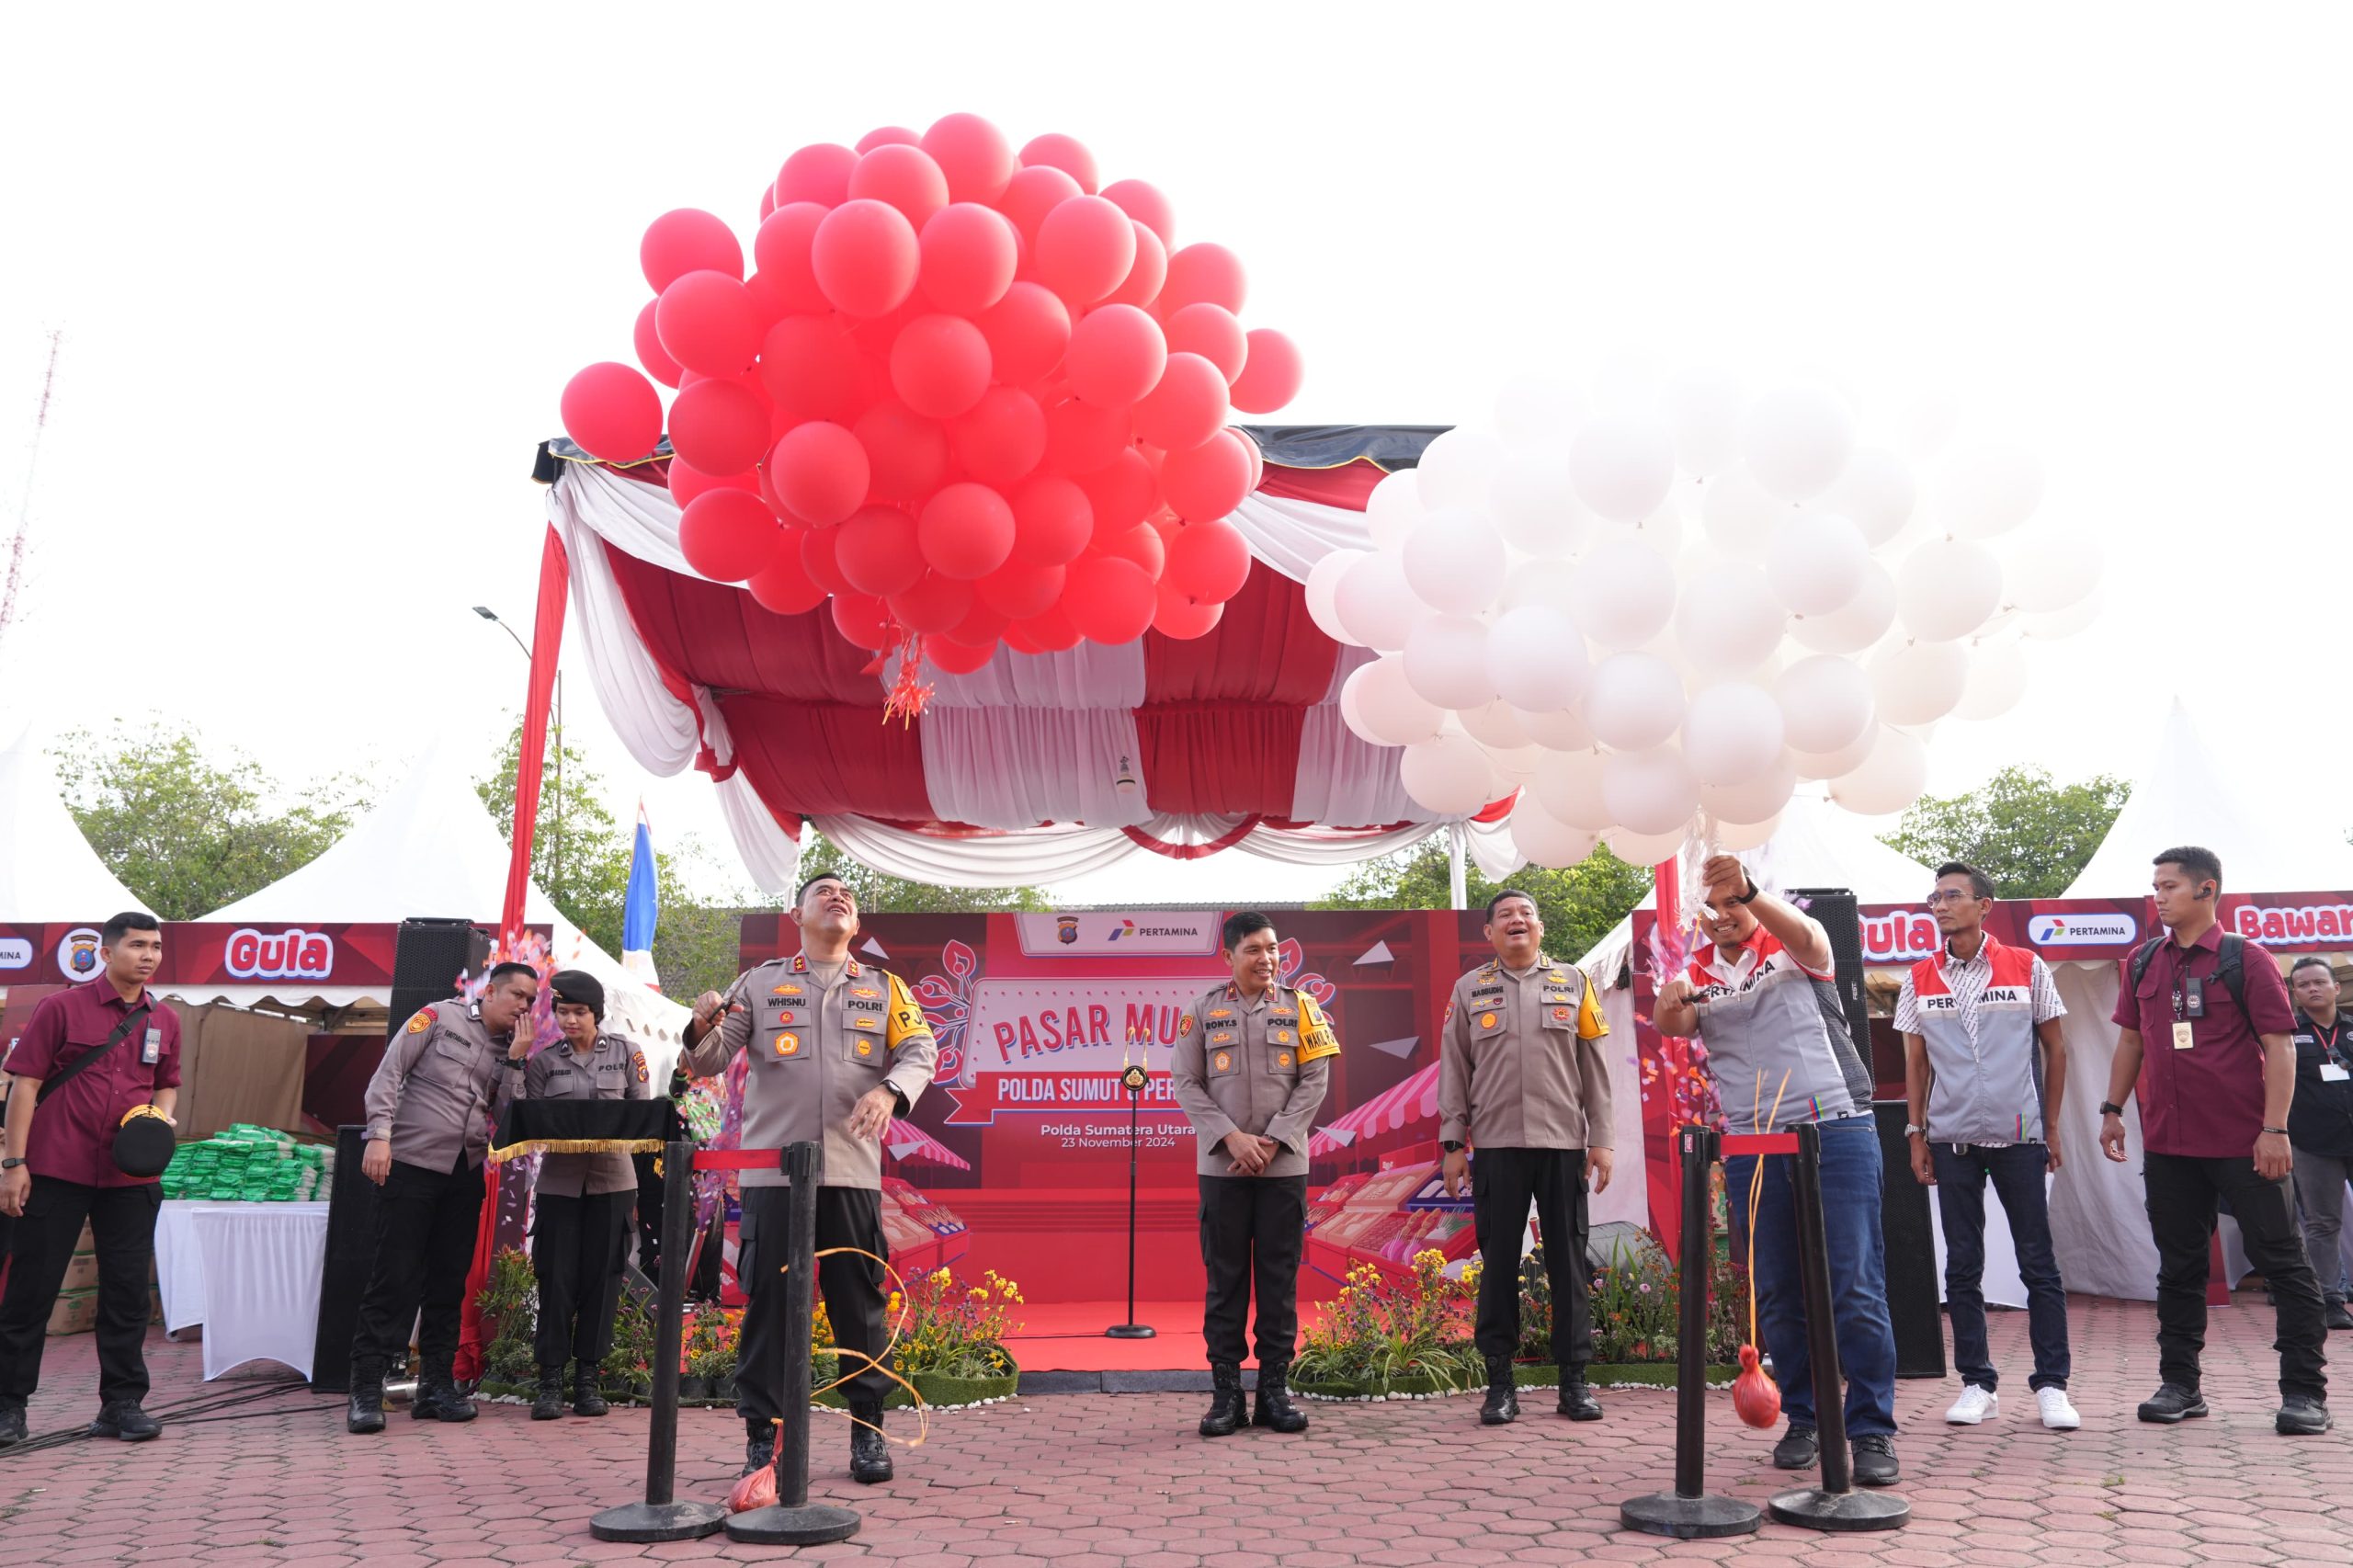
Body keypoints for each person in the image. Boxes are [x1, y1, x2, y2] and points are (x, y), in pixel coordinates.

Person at [684, 872, 937, 1484]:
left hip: (851, 1171)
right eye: (823, 891)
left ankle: (868, 1431)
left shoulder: (884, 987)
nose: (837, 897)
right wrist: (699, 1026)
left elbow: (920, 1050)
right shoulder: (763, 983)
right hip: (775, 1176)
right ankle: (759, 1438)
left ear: (857, 921)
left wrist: (889, 1089)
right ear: (796, 914)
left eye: (846, 894)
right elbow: (710, 1058)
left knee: (860, 1305)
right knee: (769, 1308)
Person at [1656, 855, 1902, 1487]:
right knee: (1777, 1291)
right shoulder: (1697, 973)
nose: (1722, 919)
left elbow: (1812, 937)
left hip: (1837, 1128)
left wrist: (1749, 892)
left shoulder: (1794, 947)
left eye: (1731, 906)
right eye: (1708, 912)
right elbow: (1675, 1024)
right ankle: (1804, 1417)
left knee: (1854, 1285)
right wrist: (1669, 997)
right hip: (1753, 1143)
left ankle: (1871, 1429)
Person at [2098, 846, 2330, 1434]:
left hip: (2244, 1141)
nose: (2159, 895)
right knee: (2178, 1267)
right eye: (2155, 885)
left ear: (2207, 890)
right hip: (2170, 1144)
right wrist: (2111, 1109)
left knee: (2283, 1262)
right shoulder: (2143, 961)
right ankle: (2181, 1385)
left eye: (2170, 885)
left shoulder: (2245, 959)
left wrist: (2275, 1129)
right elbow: (2131, 1041)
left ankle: (2305, 1394)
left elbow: (2280, 1045)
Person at [1896, 862, 2079, 1431]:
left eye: (1953, 896)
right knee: (1962, 1265)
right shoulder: (1919, 976)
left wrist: (2050, 1127)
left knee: (2038, 1263)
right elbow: (1915, 1063)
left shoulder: (2027, 965)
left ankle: (2052, 1385)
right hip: (1951, 1140)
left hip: (2020, 1135)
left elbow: (2057, 1048)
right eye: (1935, 897)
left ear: (1984, 905)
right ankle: (1977, 1383)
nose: (1941, 905)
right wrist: (1916, 1134)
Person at [0, 913, 179, 1448]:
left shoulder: (165, 1019)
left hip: (129, 1177)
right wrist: (14, 1164)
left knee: (126, 1293)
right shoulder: (61, 1009)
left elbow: (166, 1084)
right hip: (56, 1169)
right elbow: (25, 1087)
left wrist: (159, 1121)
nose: (148, 956)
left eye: (156, 947)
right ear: (105, 953)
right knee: (31, 1291)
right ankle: (9, 1406)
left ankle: (122, 1404)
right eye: (137, 946)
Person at [1438, 889, 1613, 1427]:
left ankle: (1573, 1382)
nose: (1518, 921)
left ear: (1540, 928)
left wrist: (1601, 1137)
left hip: (1562, 1145)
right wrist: (1452, 1144)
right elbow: (1454, 1069)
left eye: (1527, 914)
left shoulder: (1574, 983)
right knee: (1498, 1270)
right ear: (1488, 933)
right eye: (1506, 916)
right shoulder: (1469, 989)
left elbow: (1594, 1065)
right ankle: (1500, 1385)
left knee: (1568, 1264)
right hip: (1495, 1147)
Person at [344, 962, 538, 1435]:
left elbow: (508, 1117)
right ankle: (366, 1390)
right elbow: (387, 1075)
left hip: (464, 1171)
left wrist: (515, 1060)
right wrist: (378, 1136)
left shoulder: (511, 1048)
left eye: (531, 1001)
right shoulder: (436, 1018)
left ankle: (435, 1388)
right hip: (409, 1163)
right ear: (490, 991)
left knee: (449, 1284)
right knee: (393, 1279)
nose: (524, 1006)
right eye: (517, 995)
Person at [1169, 913, 1336, 1437]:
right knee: (1225, 1282)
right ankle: (1225, 1397)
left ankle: (1272, 1394)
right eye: (1253, 950)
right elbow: (1186, 1082)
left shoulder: (1302, 1007)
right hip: (1222, 1167)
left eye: (1272, 949)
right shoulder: (1201, 1011)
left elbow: (1314, 1080)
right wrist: (1232, 1138)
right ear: (1229, 957)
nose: (1266, 958)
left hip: (1283, 1165)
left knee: (1278, 1279)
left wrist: (1271, 1140)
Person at [525, 970, 650, 1420]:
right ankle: (550, 1380)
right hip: (560, 1184)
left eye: (579, 1011)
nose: (571, 1020)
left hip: (614, 1183)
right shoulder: (542, 1062)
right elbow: (526, 1119)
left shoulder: (627, 1054)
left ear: (597, 1012)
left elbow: (642, 1117)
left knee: (604, 1280)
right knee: (555, 1280)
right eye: (563, 1011)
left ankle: (588, 1381)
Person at [2286, 956, 2353, 1331]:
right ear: (2294, 993)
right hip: (2313, 1142)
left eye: (2319, 982)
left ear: (2336, 987)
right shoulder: (2286, 1035)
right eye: (2304, 984)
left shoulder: (2351, 1029)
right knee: (2323, 1224)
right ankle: (2330, 1301)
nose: (2313, 988)